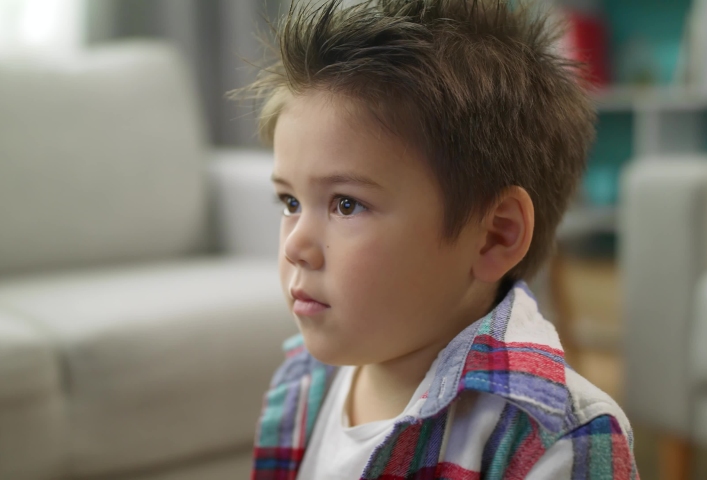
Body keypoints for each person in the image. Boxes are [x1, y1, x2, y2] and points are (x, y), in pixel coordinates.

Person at [238, 0, 638, 478]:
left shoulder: (553, 442)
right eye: (290, 202)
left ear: (494, 236)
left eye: (346, 204)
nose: (294, 245)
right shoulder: (303, 385)